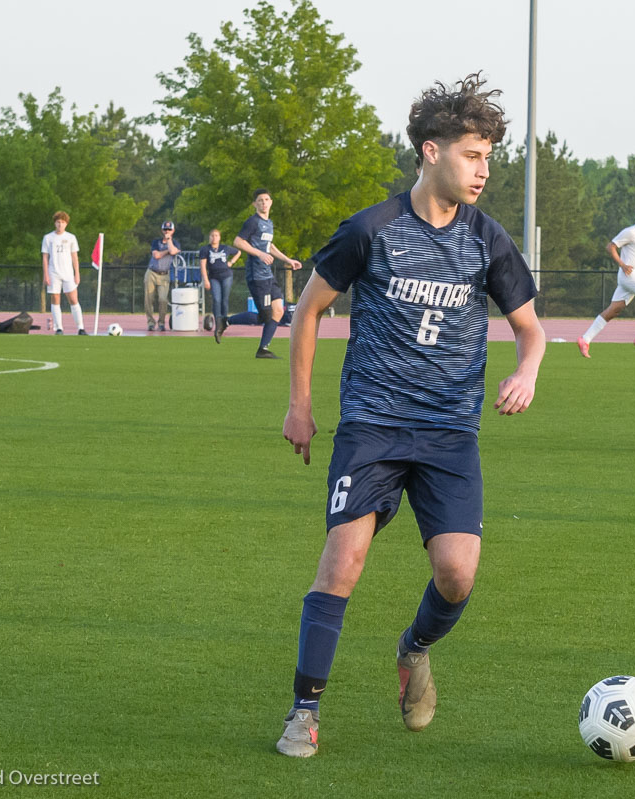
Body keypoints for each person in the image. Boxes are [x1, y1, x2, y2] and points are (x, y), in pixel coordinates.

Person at [276, 73, 544, 758]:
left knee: (458, 574)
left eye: (489, 157)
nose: (484, 170)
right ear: (431, 151)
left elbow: (531, 328)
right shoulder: (372, 229)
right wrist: (300, 405)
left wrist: (526, 368)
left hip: (450, 431)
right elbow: (308, 310)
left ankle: (414, 647)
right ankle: (303, 712)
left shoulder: (488, 240)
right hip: (372, 422)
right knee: (344, 557)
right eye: (472, 155)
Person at [577, 202, 635, 355]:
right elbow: (610, 246)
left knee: (614, 310)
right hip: (629, 275)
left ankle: (585, 339)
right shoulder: (631, 231)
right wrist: (622, 264)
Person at [235, 190, 302, 359]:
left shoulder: (269, 223)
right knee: (263, 316)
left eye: (266, 200)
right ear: (255, 204)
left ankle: (263, 349)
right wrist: (259, 253)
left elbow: (269, 246)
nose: (264, 203)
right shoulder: (252, 222)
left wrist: (288, 259)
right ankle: (225, 321)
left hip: (268, 276)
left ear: (271, 202)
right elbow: (238, 241)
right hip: (257, 275)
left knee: (278, 310)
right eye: (260, 200)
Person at [40, 211, 87, 335]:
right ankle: (58, 328)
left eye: (62, 222)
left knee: (73, 299)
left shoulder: (71, 238)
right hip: (53, 273)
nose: (60, 225)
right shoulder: (48, 238)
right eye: (58, 222)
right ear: (55, 223)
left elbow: (74, 257)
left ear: (66, 224)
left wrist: (77, 273)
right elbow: (45, 257)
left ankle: (80, 328)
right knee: (55, 299)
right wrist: (46, 275)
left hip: (67, 273)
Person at [198, 229, 240, 343]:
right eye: (212, 235)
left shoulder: (225, 248)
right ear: (209, 237)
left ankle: (224, 322)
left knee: (224, 300)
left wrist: (231, 262)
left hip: (226, 276)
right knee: (216, 299)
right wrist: (205, 280)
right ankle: (218, 323)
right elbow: (203, 266)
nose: (214, 238)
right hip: (213, 277)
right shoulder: (205, 249)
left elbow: (238, 252)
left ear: (219, 237)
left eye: (216, 235)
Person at [146, 221, 180, 332]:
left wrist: (169, 241)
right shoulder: (156, 242)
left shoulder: (175, 242)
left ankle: (161, 323)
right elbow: (156, 255)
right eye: (165, 229)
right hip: (152, 272)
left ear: (173, 231)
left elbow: (174, 250)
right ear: (162, 230)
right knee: (149, 299)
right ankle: (151, 323)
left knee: (163, 299)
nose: (167, 231)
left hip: (164, 274)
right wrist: (167, 251)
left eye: (169, 229)